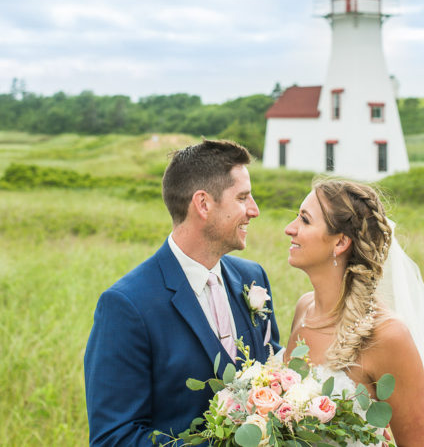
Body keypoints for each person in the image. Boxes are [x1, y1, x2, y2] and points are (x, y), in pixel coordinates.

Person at [84, 139, 281, 446]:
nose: (254, 210)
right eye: (243, 198)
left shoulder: (252, 277)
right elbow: (114, 437)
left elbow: (275, 378)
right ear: (203, 204)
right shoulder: (126, 305)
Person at [284, 179, 424, 447]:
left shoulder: (387, 336)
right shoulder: (304, 308)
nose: (289, 229)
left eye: (304, 220)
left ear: (340, 243)